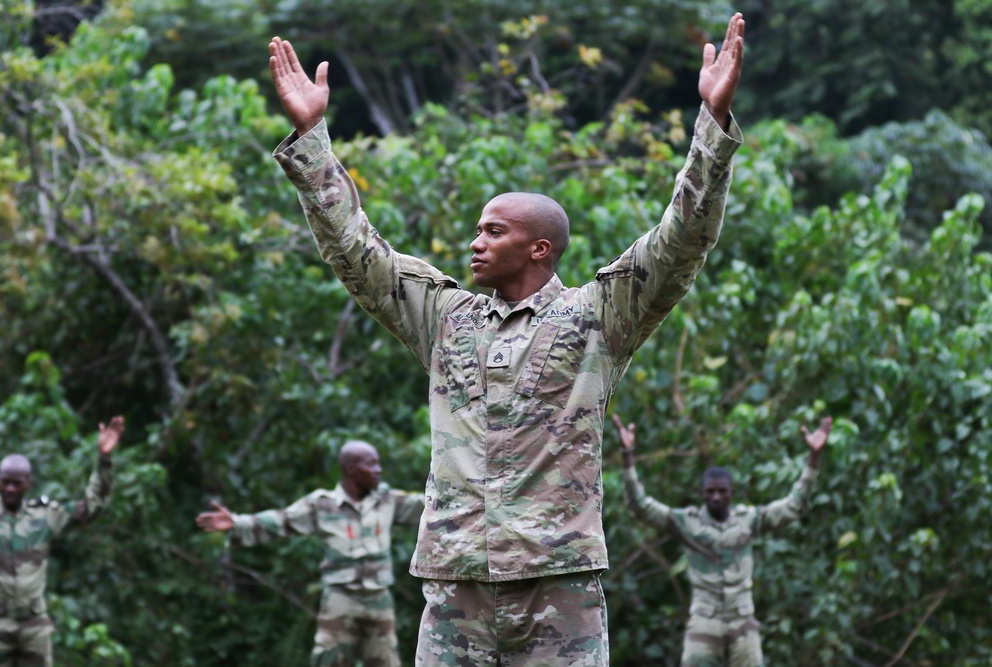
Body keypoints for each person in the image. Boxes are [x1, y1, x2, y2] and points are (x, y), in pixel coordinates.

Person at [267, 11, 745, 664]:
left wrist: (711, 131)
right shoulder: (446, 316)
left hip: (559, 588)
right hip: (455, 589)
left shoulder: (595, 316)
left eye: (495, 231)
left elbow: (678, 241)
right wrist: (311, 137)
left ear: (539, 248)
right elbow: (358, 253)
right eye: (478, 228)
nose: (476, 240)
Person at [612, 413, 833, 667]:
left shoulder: (748, 520)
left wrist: (813, 457)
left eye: (722, 491)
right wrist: (627, 454)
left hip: (742, 621)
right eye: (710, 492)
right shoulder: (687, 523)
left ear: (732, 493)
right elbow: (640, 506)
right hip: (705, 622)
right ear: (702, 494)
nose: (716, 497)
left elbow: (795, 506)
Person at [195, 440, 424, 667]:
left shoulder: (388, 500)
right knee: (329, 659)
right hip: (340, 598)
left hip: (379, 598)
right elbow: (282, 520)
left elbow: (430, 506)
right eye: (371, 464)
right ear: (351, 469)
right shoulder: (323, 504)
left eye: (378, 464)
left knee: (386, 660)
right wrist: (237, 522)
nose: (378, 470)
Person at [0, 415, 124, 667]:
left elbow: (91, 508)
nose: (9, 489)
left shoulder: (45, 517)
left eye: (16, 483)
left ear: (28, 484)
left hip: (33, 628)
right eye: (5, 482)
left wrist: (104, 460)